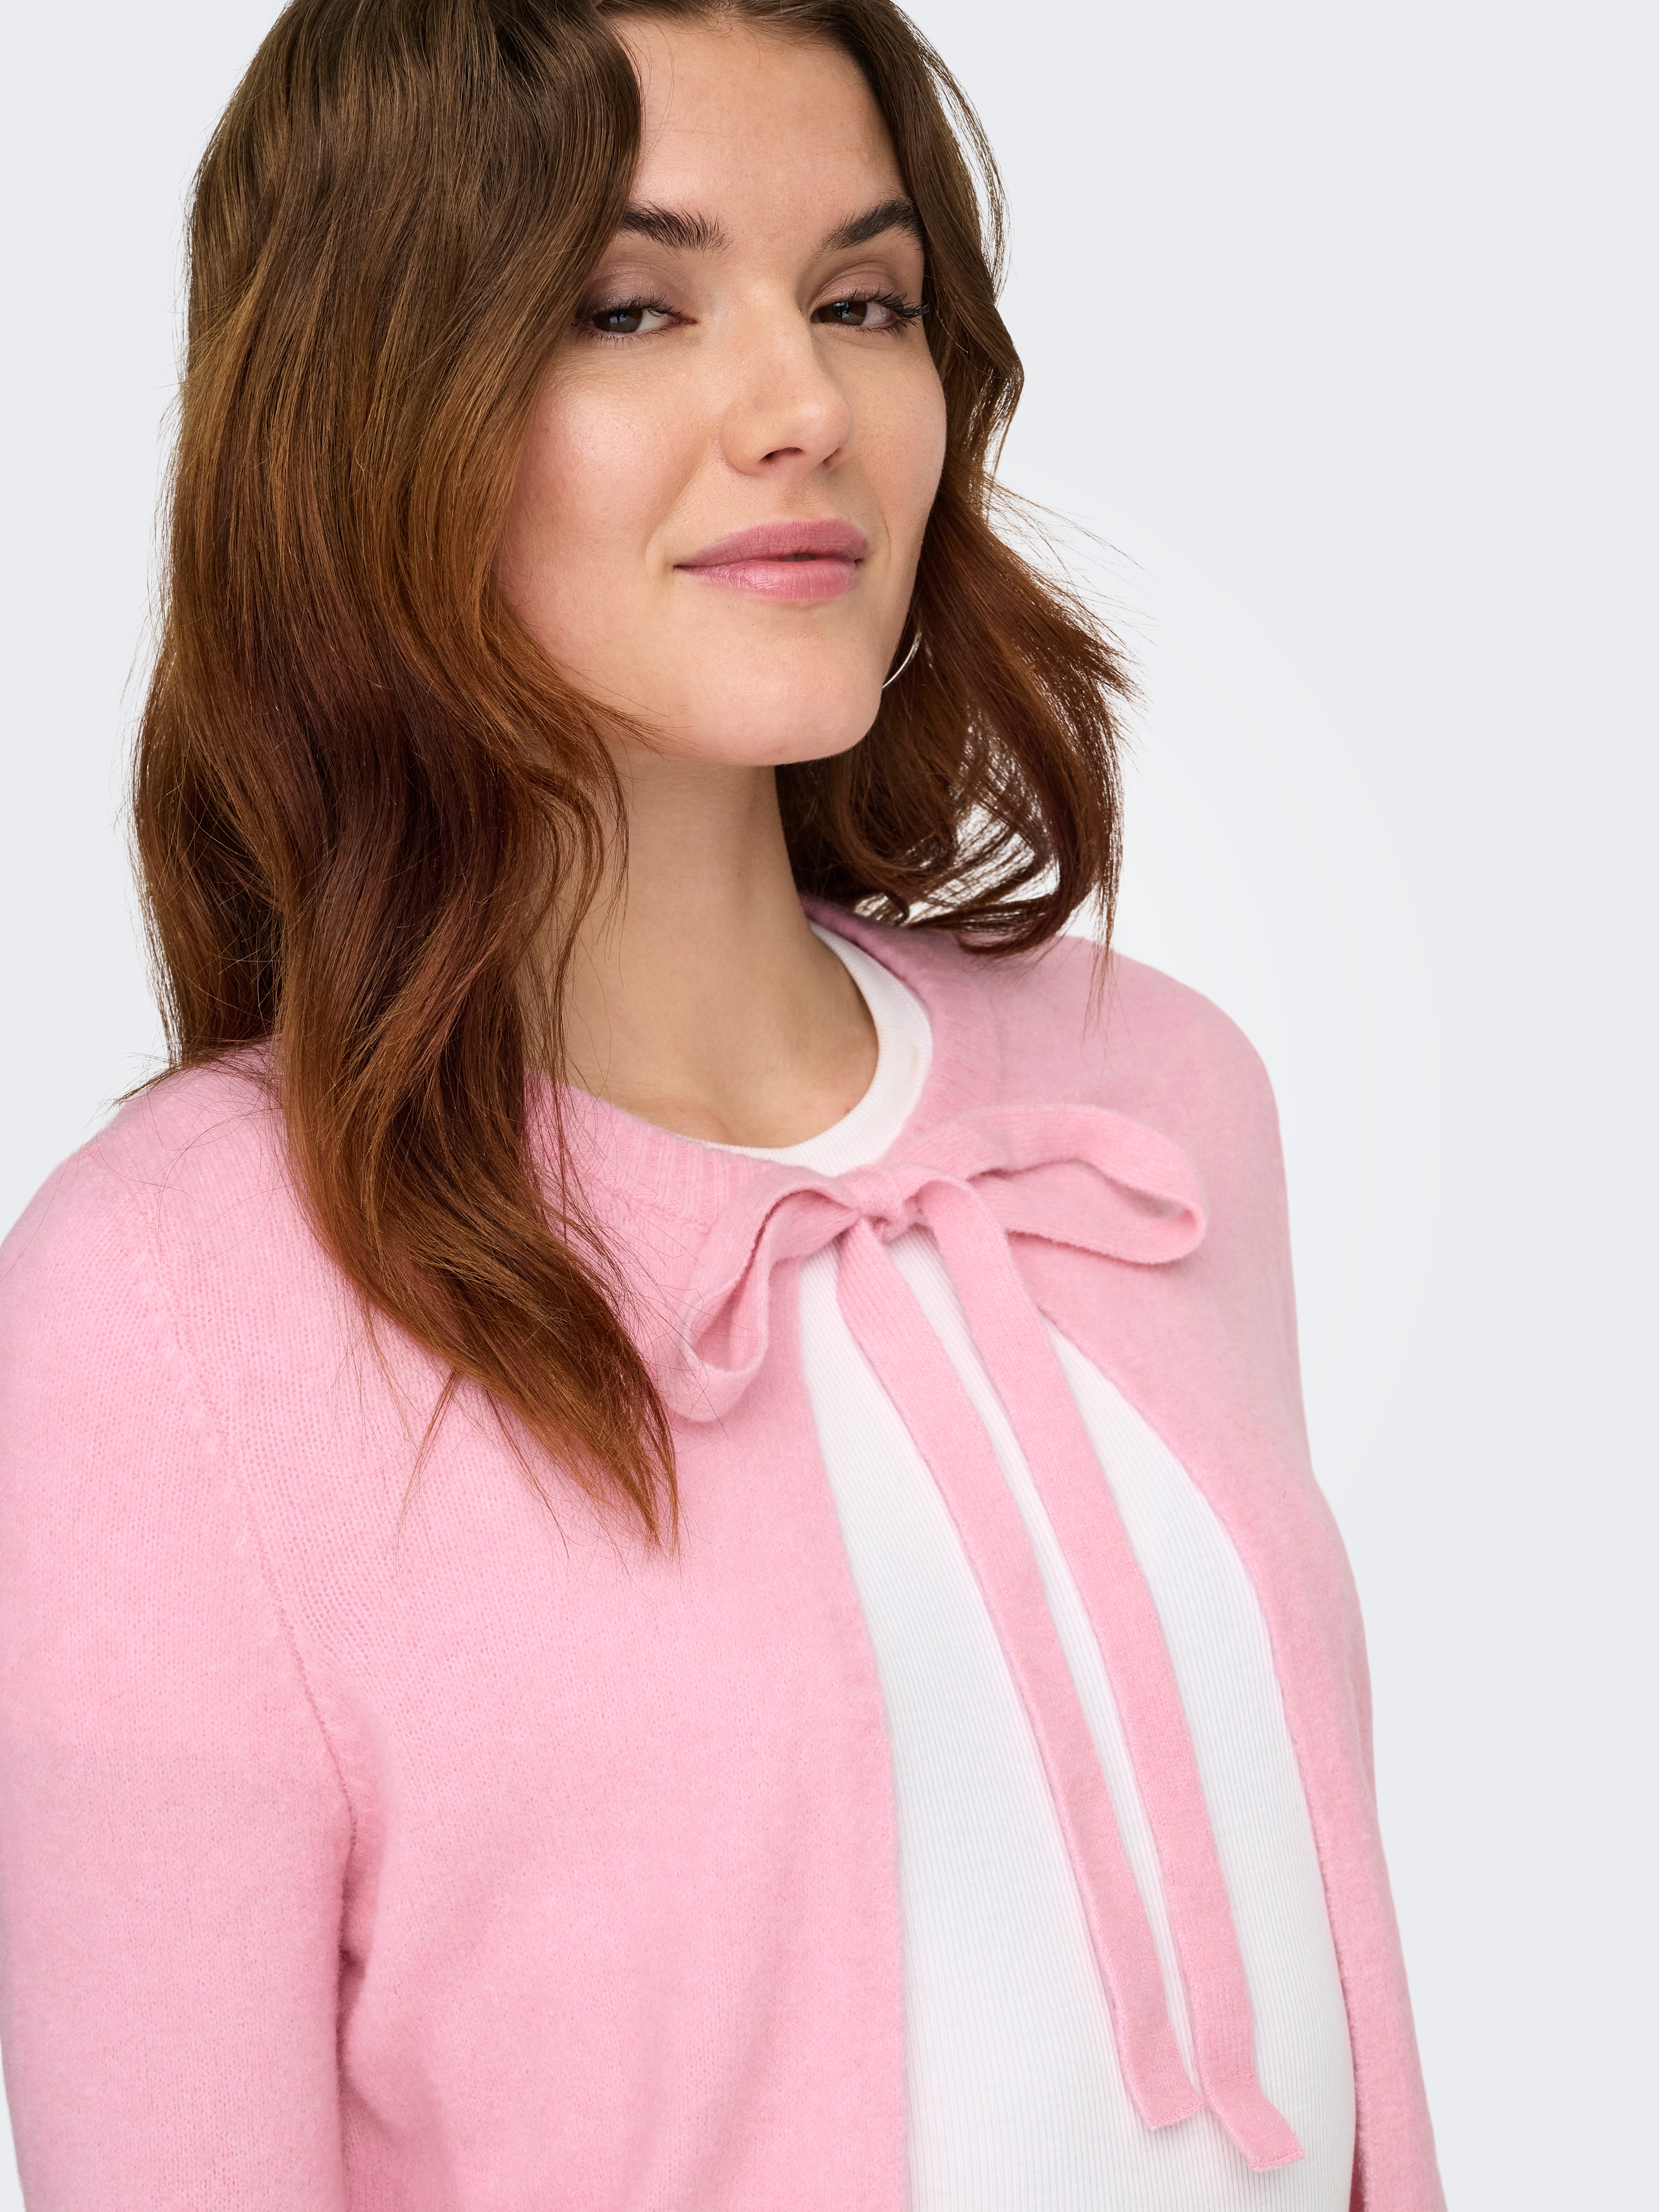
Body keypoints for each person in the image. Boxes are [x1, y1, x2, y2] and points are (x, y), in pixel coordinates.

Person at [0, 2, 1443, 2207]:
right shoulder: (172, 1305)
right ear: (370, 407)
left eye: (865, 302)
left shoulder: (1149, 1109)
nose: (807, 407)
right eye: (630, 306)